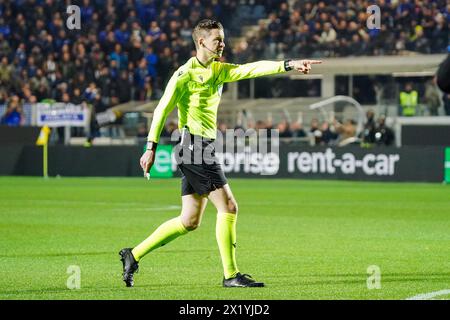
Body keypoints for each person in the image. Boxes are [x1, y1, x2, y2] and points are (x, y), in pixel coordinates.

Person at [119, 19, 322, 288]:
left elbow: (251, 70)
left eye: (223, 38)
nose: (222, 43)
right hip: (194, 146)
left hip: (200, 146)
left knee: (189, 220)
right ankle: (230, 275)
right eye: (217, 39)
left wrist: (288, 64)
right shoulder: (184, 74)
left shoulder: (218, 70)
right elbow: (161, 110)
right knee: (228, 207)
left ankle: (132, 255)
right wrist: (150, 147)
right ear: (201, 42)